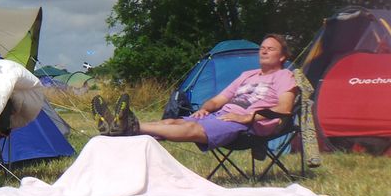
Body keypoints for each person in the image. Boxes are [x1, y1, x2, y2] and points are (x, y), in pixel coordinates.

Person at [94, 34, 298, 150]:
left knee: (193, 131)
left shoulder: (284, 76)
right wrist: (205, 109)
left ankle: (127, 125)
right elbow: (218, 99)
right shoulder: (248, 74)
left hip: (248, 124)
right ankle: (119, 126)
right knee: (174, 121)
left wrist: (249, 117)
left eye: (270, 49)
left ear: (282, 57)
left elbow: (284, 109)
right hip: (224, 115)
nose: (263, 51)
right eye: (262, 47)